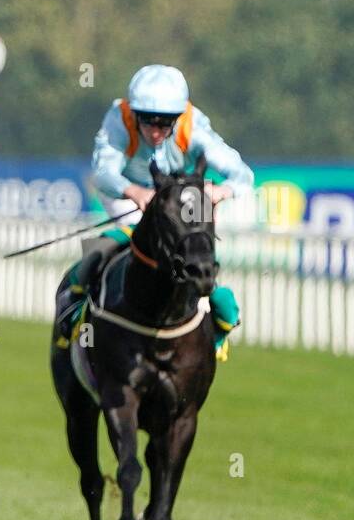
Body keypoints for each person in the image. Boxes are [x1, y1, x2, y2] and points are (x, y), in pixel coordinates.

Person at [68, 64, 247, 359]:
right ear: (134, 113)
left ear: (178, 117)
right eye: (147, 122)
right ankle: (75, 304)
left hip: (181, 202)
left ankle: (220, 326)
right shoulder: (119, 118)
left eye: (165, 124)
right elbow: (103, 173)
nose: (155, 132)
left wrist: (218, 192)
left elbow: (242, 175)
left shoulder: (194, 126)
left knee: (197, 257)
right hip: (130, 193)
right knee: (114, 240)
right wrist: (136, 193)